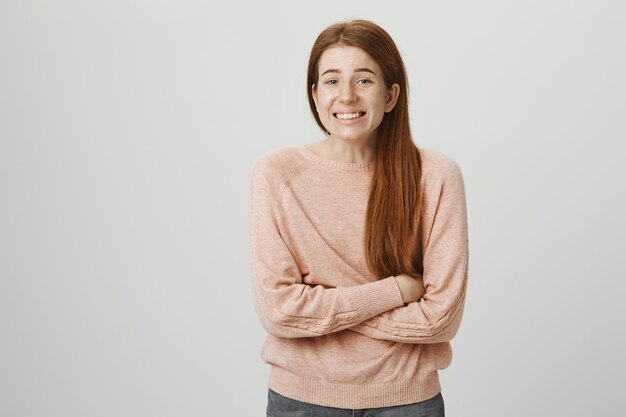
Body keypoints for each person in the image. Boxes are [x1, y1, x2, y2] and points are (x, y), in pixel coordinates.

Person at [248, 19, 469, 417]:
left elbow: (441, 318)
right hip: (301, 401)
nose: (346, 96)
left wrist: (320, 312)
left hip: (408, 402)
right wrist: (398, 290)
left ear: (390, 95)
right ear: (315, 95)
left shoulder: (435, 176)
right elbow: (281, 311)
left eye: (364, 80)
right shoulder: (276, 173)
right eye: (331, 81)